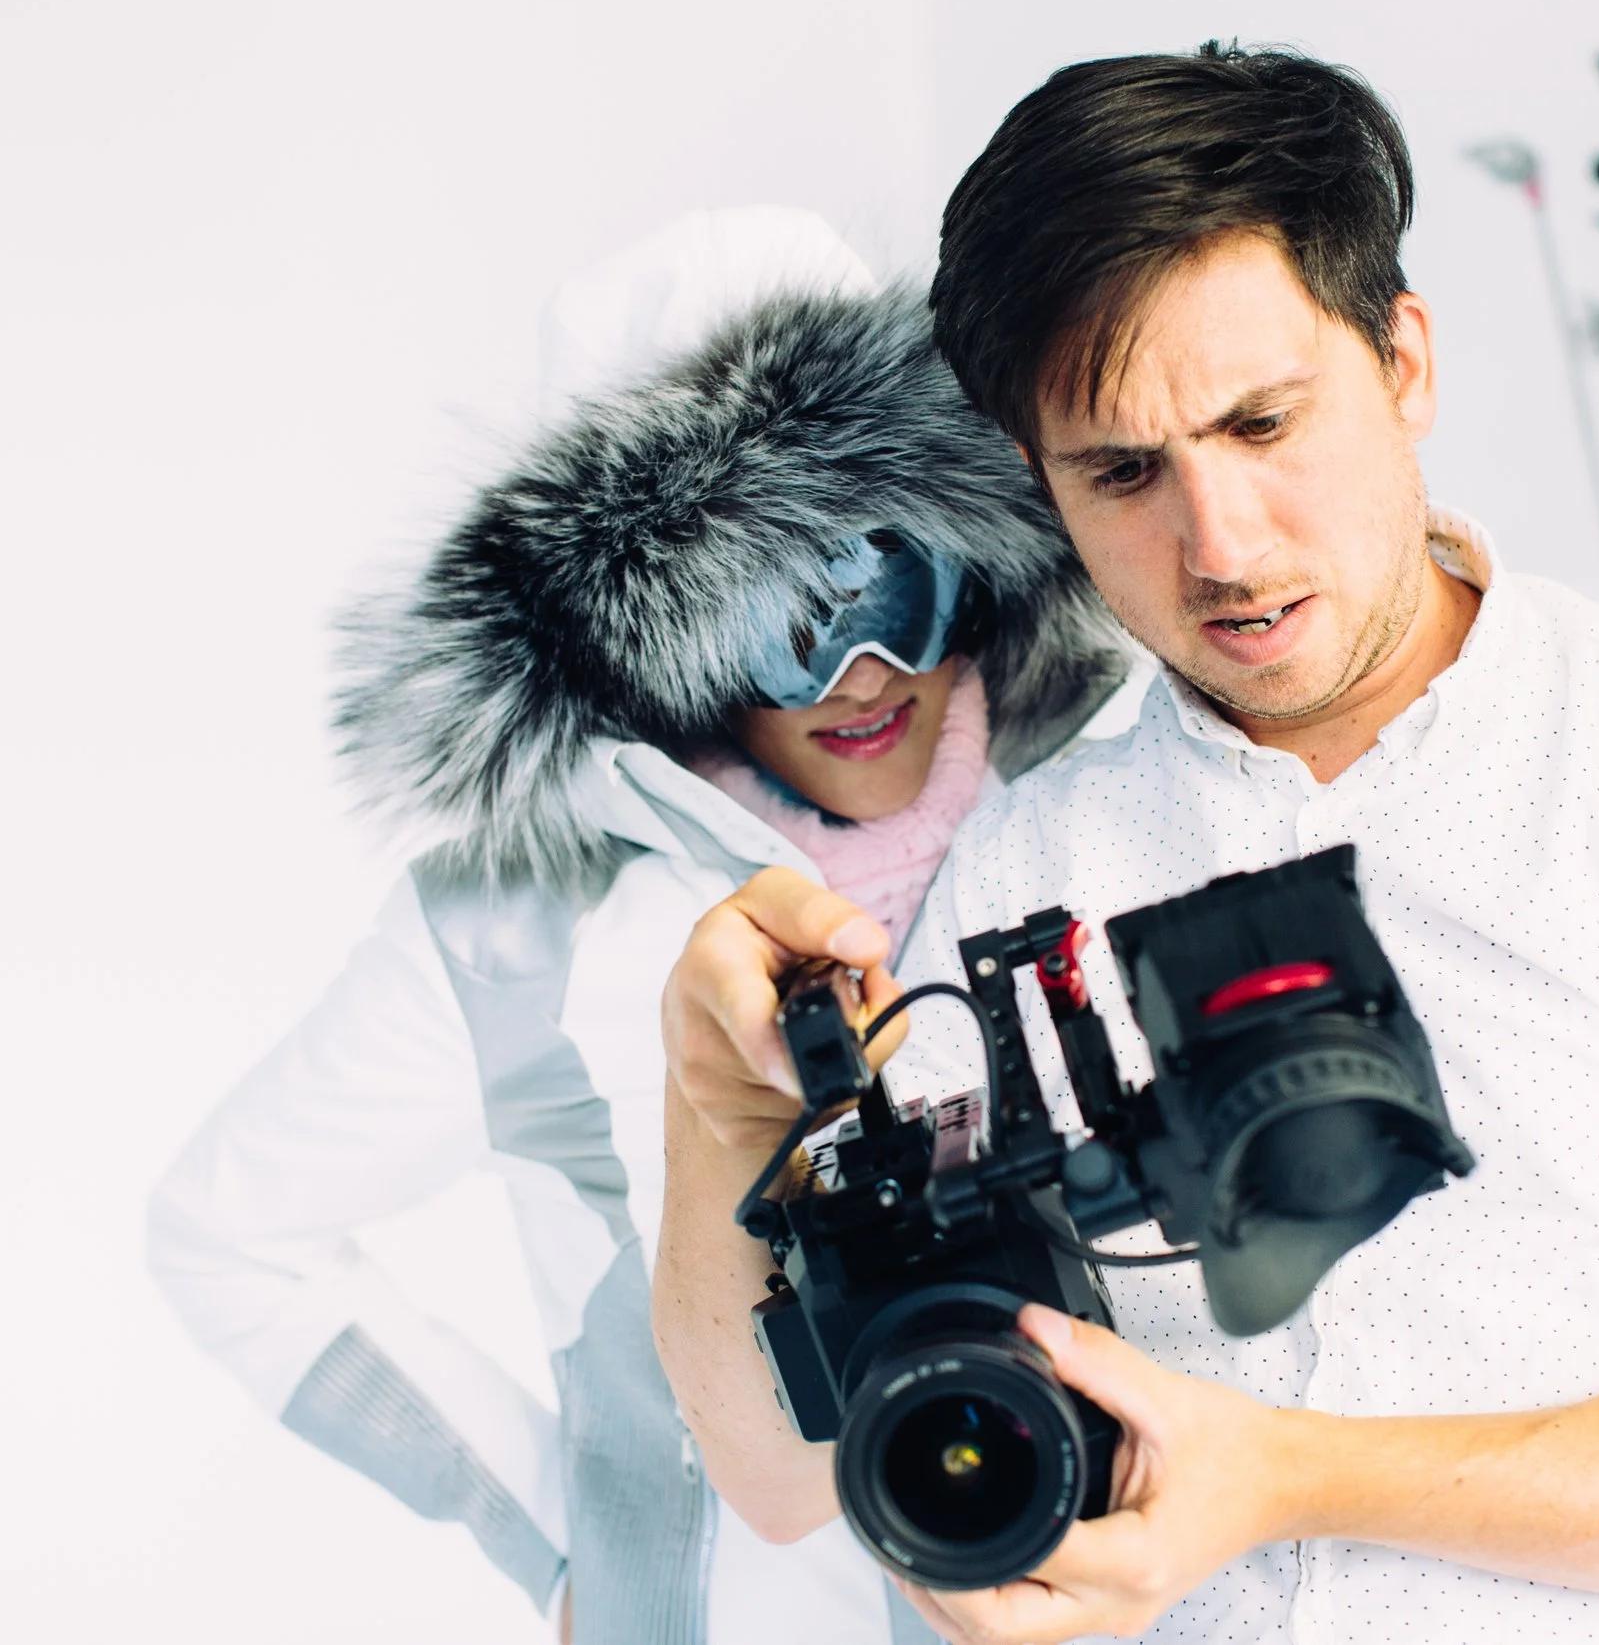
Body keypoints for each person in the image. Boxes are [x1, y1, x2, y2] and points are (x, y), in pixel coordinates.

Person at [651, 48, 1599, 1645]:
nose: (1221, 544)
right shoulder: (1020, 874)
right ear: (1041, 481)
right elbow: (779, 1480)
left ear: (1405, 363)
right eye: (1124, 472)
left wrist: (1290, 1477)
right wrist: (716, 1107)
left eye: (1263, 422)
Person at [145, 210, 1131, 1645]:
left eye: (890, 580)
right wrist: (563, 1546)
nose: (860, 673)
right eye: (773, 617)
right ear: (653, 643)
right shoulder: (518, 934)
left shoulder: (1118, 803)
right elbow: (227, 1233)